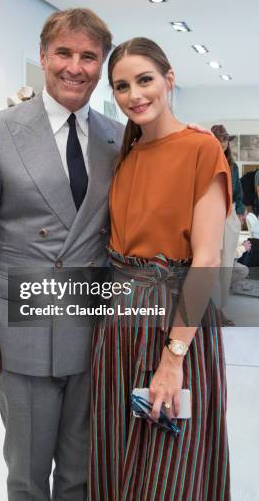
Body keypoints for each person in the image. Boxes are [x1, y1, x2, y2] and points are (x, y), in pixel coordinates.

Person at [0, 8, 124, 500]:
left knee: (80, 470)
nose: (75, 66)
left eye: (89, 56)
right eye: (64, 52)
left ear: (102, 65)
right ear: (43, 56)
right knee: (27, 474)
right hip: (23, 332)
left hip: (93, 330)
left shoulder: (116, 137)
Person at [89, 38, 231, 500]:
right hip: (120, 325)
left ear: (170, 80)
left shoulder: (201, 149)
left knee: (171, 465)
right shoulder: (125, 154)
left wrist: (172, 360)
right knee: (117, 451)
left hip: (177, 324)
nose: (134, 94)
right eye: (122, 86)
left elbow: (207, 260)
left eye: (145, 80)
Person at [211, 124, 245, 317]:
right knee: (211, 261)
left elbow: (239, 193)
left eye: (224, 139)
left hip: (230, 214)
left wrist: (239, 213)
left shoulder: (232, 166)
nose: (222, 143)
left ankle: (221, 310)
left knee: (226, 263)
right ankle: (212, 310)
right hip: (211, 214)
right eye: (219, 138)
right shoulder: (205, 161)